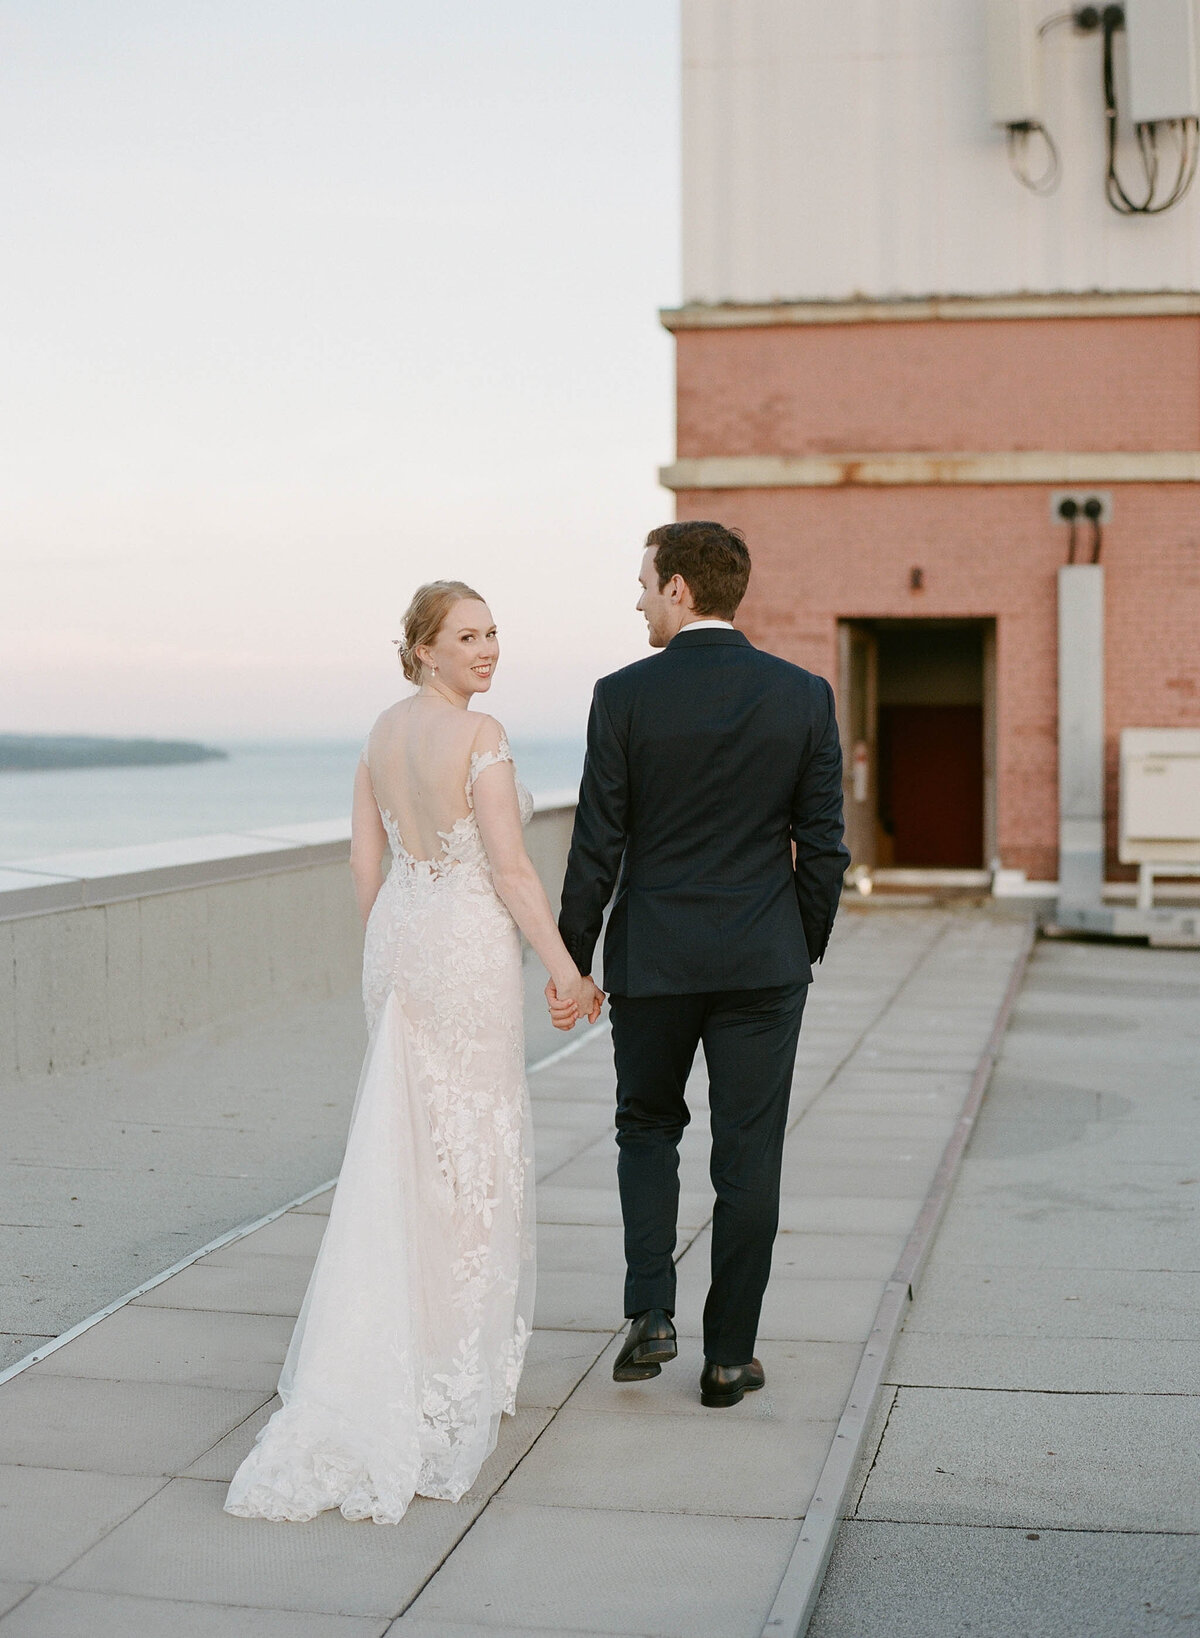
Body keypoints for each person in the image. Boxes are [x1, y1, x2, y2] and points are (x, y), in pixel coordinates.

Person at [224, 580, 601, 1524]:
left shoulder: (379, 735)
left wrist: (393, 938)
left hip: (398, 939)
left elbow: (366, 865)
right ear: (424, 648)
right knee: (471, 1146)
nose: (489, 649)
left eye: (493, 632)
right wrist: (565, 970)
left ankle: (399, 1345)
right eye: (468, 636)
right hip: (464, 946)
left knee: (407, 1144)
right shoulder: (481, 737)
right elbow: (512, 868)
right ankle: (448, 1364)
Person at [550, 522, 849, 1408]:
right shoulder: (803, 695)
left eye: (644, 582)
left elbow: (595, 847)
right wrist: (796, 945)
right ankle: (728, 1359)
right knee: (749, 1157)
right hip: (763, 961)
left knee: (647, 1127)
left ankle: (650, 1312)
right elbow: (824, 846)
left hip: (654, 960)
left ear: (679, 589)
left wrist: (573, 961)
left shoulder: (623, 696)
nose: (637, 598)